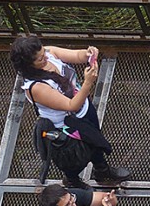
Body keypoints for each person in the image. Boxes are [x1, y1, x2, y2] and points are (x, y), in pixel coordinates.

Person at [9, 35, 131, 189]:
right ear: (29, 65)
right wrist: (88, 83)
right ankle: (72, 179)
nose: (45, 57)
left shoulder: (49, 53)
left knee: (95, 140)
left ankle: (101, 170)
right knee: (76, 155)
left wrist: (88, 54)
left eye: (43, 53)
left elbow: (76, 55)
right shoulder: (36, 88)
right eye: (40, 59)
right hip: (66, 125)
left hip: (84, 109)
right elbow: (70, 105)